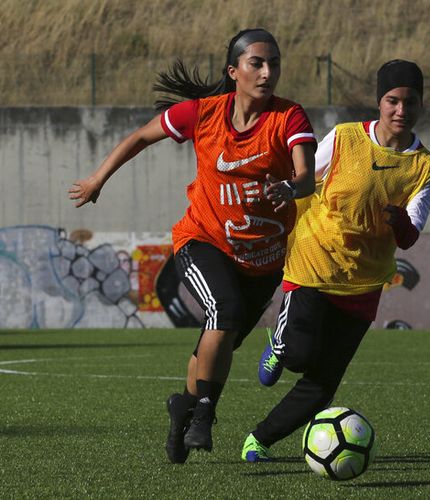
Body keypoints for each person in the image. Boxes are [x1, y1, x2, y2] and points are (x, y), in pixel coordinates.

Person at [68, 28, 317, 464]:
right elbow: (141, 137)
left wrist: (290, 188)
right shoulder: (201, 113)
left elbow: (307, 177)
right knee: (224, 312)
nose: (267, 71)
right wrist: (96, 179)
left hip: (263, 262)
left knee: (215, 341)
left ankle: (182, 405)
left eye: (274, 63)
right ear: (233, 70)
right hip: (202, 239)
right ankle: (203, 412)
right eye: (257, 63)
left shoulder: (289, 117)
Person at [240, 59, 430, 462]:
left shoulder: (424, 166)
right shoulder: (347, 138)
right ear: (379, 102)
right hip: (314, 260)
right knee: (297, 355)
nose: (401, 110)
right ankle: (278, 345)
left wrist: (399, 221)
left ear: (420, 105)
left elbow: (411, 236)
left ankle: (259, 439)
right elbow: (304, 178)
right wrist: (283, 189)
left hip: (363, 284)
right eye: (392, 100)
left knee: (323, 382)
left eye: (410, 102)